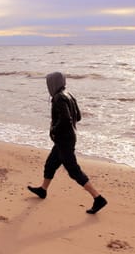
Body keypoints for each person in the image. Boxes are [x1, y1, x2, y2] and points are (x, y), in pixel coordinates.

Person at [28, 71, 108, 214]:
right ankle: (43, 190)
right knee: (50, 164)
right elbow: (78, 117)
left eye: (49, 82)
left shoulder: (58, 97)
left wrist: (54, 129)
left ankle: (98, 198)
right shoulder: (69, 94)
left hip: (64, 139)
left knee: (73, 170)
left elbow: (65, 119)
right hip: (67, 138)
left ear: (53, 83)